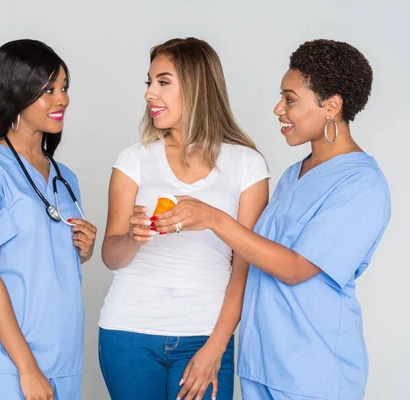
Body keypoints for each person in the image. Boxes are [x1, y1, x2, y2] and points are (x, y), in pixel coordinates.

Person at [153, 39, 391, 399]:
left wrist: (216, 219)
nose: (278, 108)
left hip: (314, 371)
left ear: (332, 105)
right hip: (262, 366)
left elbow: (295, 268)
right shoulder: (294, 175)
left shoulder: (361, 183)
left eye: (290, 99)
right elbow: (254, 257)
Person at [98, 37, 270, 400]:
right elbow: (111, 256)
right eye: (149, 83)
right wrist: (132, 238)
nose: (149, 94)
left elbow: (244, 268)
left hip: (204, 335)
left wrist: (216, 346)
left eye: (163, 82)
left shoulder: (247, 165)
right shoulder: (134, 159)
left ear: (196, 86)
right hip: (127, 331)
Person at [0, 39, 97, 400]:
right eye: (47, 90)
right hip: (9, 363)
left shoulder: (66, 178)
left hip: (64, 358)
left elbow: (43, 258)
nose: (62, 99)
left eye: (63, 88)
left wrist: (84, 248)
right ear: (14, 93)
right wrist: (27, 368)